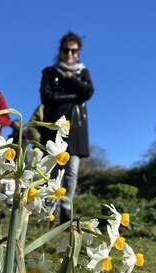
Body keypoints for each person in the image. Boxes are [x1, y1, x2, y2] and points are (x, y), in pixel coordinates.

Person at [39, 32, 94, 223]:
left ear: (78, 52)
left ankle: (66, 208)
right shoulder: (50, 72)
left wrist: (71, 79)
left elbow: (88, 92)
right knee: (50, 170)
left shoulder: (82, 72)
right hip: (53, 127)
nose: (70, 54)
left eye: (74, 51)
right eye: (66, 50)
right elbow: (46, 97)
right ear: (60, 51)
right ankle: (47, 211)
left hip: (76, 129)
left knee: (71, 171)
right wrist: (73, 96)